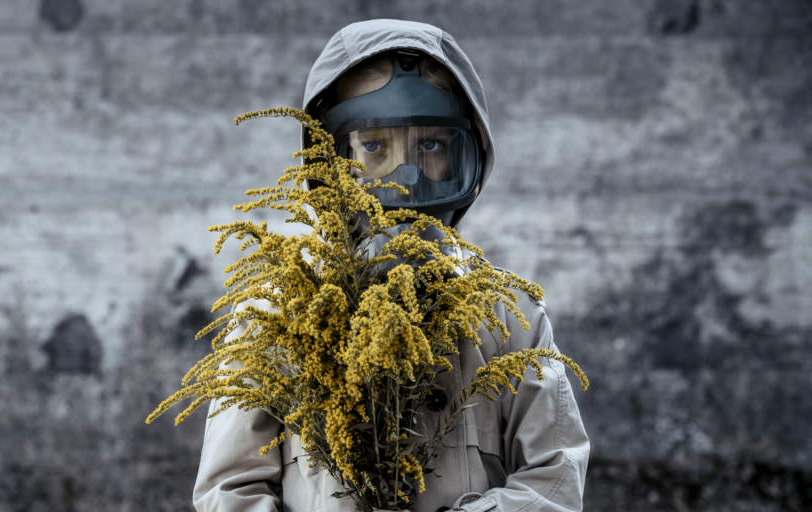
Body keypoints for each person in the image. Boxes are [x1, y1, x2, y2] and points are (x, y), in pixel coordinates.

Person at [193, 19, 589, 512]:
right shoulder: (277, 314)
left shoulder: (511, 319)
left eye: (431, 146)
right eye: (375, 147)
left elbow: (556, 478)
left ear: (466, 160)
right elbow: (228, 493)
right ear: (331, 160)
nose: (405, 178)